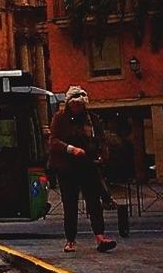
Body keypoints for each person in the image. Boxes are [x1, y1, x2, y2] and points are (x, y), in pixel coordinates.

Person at [48, 85, 117, 253]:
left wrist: (102, 154)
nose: (79, 107)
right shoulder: (60, 118)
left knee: (94, 202)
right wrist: (71, 149)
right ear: (70, 104)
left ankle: (100, 237)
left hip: (88, 164)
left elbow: (101, 139)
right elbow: (53, 141)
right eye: (76, 105)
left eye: (81, 104)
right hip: (67, 167)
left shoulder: (92, 119)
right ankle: (70, 240)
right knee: (69, 204)